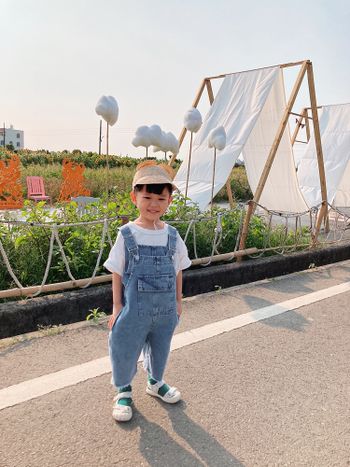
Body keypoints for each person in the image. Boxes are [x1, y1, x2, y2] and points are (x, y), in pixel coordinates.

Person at [104, 160, 191, 422]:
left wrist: (178, 301)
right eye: (147, 197)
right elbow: (117, 271)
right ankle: (123, 390)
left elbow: (178, 269)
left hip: (165, 310)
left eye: (161, 198)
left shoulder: (172, 235)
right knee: (124, 345)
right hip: (133, 309)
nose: (154, 204)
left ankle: (155, 382)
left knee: (161, 347)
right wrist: (117, 306)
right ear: (135, 197)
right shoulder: (127, 233)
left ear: (169, 201)